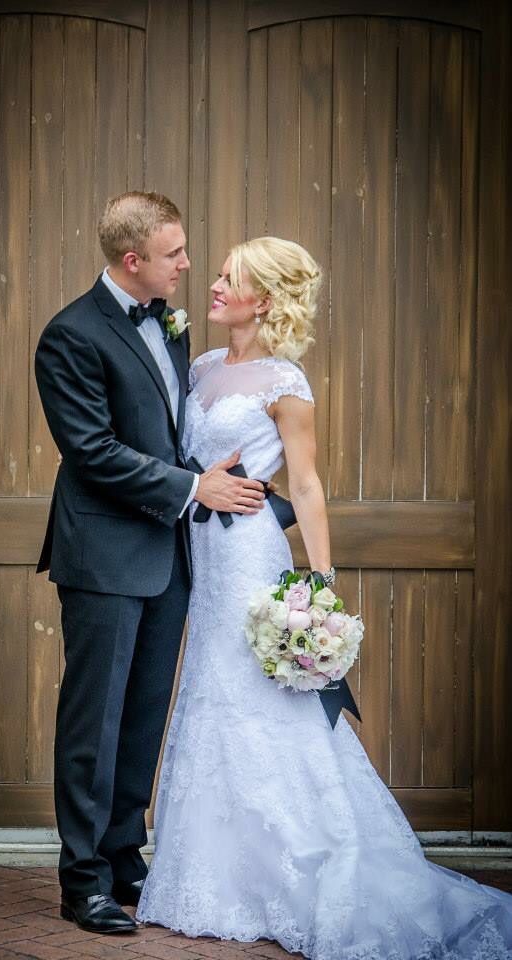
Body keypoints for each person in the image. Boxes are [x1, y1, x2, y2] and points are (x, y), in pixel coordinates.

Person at [136, 236, 512, 957]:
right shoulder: (205, 365)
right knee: (211, 698)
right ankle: (215, 876)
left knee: (264, 703)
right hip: (201, 559)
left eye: (228, 279)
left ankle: (299, 866)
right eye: (213, 275)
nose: (211, 286)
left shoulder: (286, 382)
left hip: (250, 557)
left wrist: (319, 580)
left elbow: (304, 483)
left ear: (265, 300)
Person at [34, 192, 266, 935]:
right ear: (133, 261)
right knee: (93, 723)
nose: (189, 265)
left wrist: (204, 472)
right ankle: (84, 880)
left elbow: (163, 436)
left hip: (169, 553)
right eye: (176, 253)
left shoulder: (172, 326)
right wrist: (190, 486)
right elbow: (93, 452)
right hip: (102, 554)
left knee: (141, 718)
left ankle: (124, 855)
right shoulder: (69, 336)